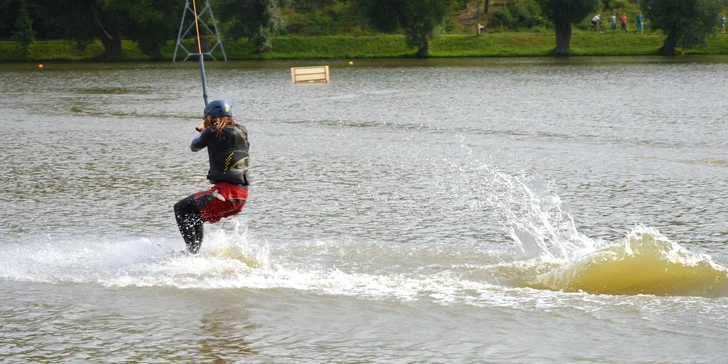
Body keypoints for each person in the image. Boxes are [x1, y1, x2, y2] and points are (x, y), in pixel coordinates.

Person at [174, 100, 250, 254]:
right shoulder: (242, 131)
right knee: (193, 215)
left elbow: (194, 146)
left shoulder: (211, 132)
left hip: (225, 194)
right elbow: (224, 139)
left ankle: (191, 253)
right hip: (240, 196)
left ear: (211, 117)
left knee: (181, 208)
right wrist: (208, 131)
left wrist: (204, 132)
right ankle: (193, 254)